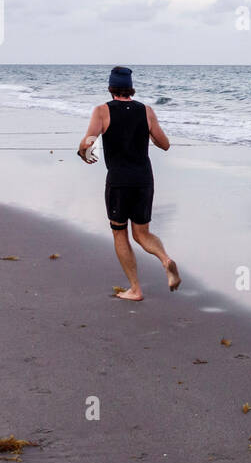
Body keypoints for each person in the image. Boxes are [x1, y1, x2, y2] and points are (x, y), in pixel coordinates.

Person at [77, 66, 180, 300]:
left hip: (119, 181)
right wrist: (148, 132)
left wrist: (83, 152)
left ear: (110, 87)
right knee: (143, 234)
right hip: (144, 179)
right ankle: (166, 260)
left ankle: (135, 289)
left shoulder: (102, 111)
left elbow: (88, 140)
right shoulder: (146, 111)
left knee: (120, 232)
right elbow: (164, 144)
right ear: (130, 88)